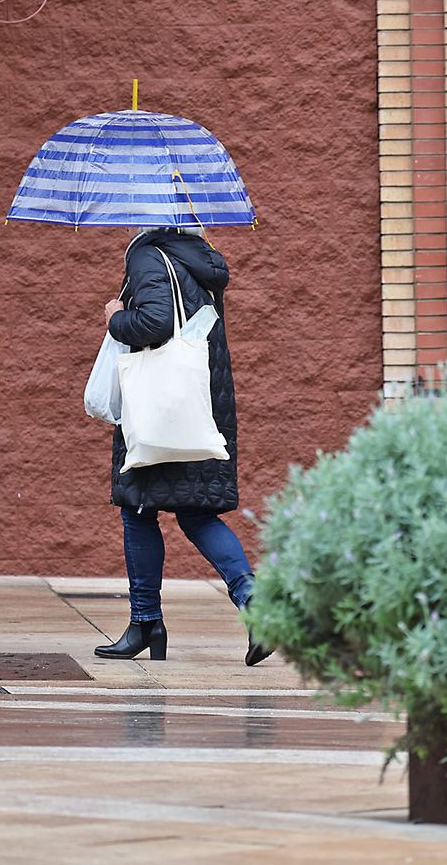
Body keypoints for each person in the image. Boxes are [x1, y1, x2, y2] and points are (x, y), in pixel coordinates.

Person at [95, 225, 273, 667]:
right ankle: (257, 607)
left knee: (138, 510)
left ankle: (146, 621)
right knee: (196, 512)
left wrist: (116, 316)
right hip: (201, 404)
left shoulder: (146, 253)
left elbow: (152, 323)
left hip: (159, 407)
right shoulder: (201, 256)